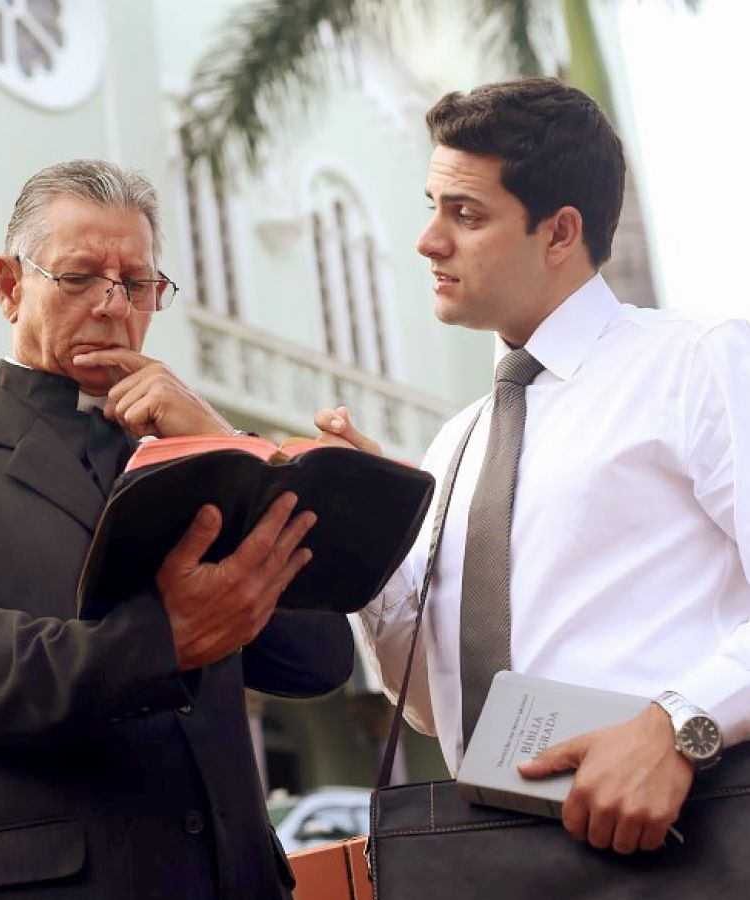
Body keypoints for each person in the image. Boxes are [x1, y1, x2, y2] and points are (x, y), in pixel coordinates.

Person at [0, 159, 354, 899]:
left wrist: (221, 445)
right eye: (80, 277)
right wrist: (165, 641)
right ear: (9, 286)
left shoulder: (196, 456)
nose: (113, 306)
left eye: (137, 283)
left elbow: (319, 659)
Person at [316, 77, 750, 857]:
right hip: (503, 858)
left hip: (693, 842)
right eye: (432, 207)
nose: (428, 241)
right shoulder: (456, 445)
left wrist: (679, 723)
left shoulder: (700, 363)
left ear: (559, 234)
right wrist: (370, 524)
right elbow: (432, 708)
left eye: (466, 215)